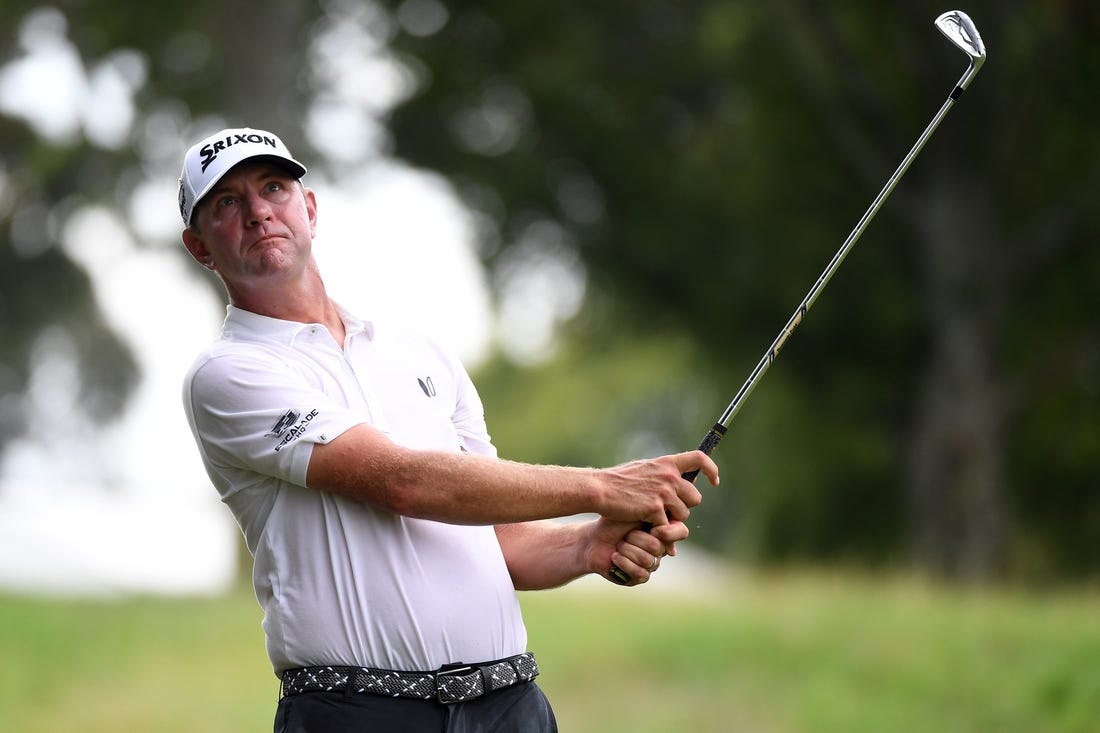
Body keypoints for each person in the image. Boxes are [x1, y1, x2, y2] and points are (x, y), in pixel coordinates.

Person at [178, 126, 719, 732]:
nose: (257, 213)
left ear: (307, 207)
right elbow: (402, 482)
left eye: (273, 188)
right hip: (357, 714)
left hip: (511, 705)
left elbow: (497, 540)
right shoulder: (227, 374)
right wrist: (605, 486)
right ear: (200, 247)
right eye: (227, 202)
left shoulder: (422, 352)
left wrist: (585, 547)